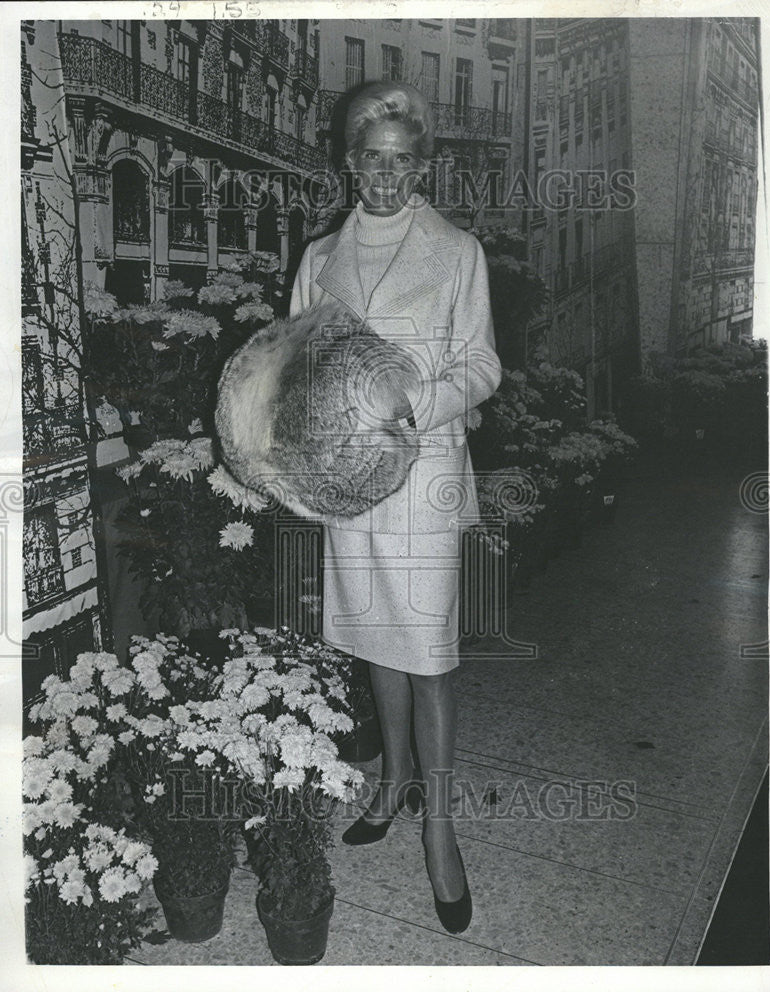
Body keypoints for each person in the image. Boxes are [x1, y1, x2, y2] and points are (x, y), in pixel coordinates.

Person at [289, 81, 502, 934]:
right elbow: (293, 368)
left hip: (424, 478)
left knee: (431, 653)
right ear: (350, 164)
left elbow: (482, 365)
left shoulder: (456, 253)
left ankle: (440, 832)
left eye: (401, 161)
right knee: (378, 636)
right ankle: (390, 786)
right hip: (351, 482)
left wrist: (423, 402)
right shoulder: (316, 259)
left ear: (421, 167)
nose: (385, 175)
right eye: (371, 159)